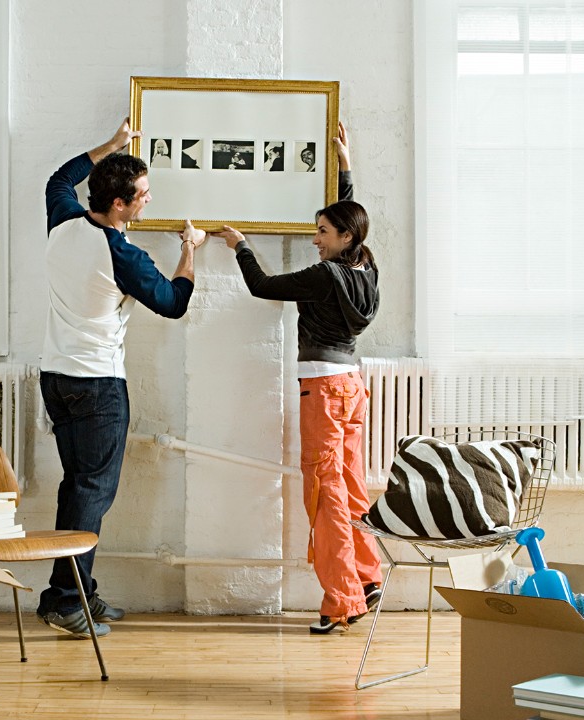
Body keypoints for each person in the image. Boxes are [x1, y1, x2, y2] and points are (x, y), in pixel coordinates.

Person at [40, 118, 207, 638]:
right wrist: (190, 249)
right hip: (96, 386)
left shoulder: (65, 221)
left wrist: (111, 147)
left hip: (56, 377)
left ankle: (68, 594)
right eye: (143, 196)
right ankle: (69, 601)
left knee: (77, 488)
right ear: (120, 205)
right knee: (92, 492)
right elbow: (174, 302)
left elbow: (58, 181)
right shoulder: (120, 253)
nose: (148, 202)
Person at [214, 122, 382, 634]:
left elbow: (263, 286)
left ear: (344, 238)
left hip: (325, 392)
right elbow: (350, 217)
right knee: (349, 486)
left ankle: (342, 600)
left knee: (325, 494)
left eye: (322, 233)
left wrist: (240, 244)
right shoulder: (366, 269)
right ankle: (369, 576)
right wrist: (344, 165)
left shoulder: (323, 276)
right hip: (351, 389)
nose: (315, 239)